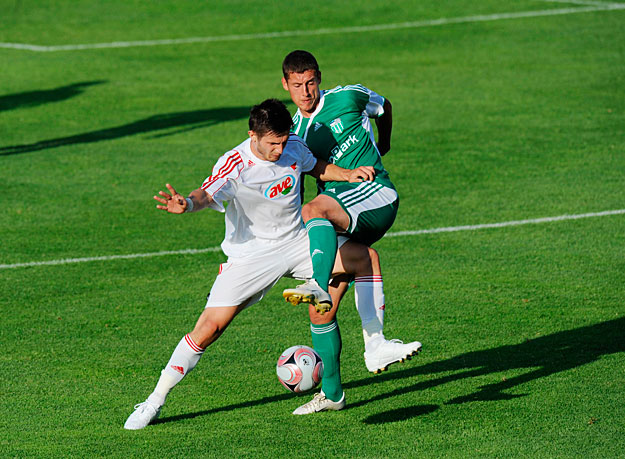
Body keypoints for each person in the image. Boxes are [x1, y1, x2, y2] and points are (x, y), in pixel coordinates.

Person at [124, 99, 381, 430]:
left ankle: (375, 346)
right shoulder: (235, 164)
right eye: (272, 143)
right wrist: (187, 204)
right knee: (209, 329)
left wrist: (348, 174)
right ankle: (154, 400)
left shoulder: (293, 146)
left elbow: (314, 165)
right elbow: (206, 193)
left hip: (297, 241)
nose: (279, 149)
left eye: (283, 141)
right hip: (251, 256)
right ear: (253, 135)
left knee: (365, 258)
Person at [281, 50, 422, 374]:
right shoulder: (294, 134)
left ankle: (316, 282)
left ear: (320, 79)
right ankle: (343, 380)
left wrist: (382, 146)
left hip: (374, 193)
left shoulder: (350, 96)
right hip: (338, 217)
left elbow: (384, 108)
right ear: (286, 85)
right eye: (298, 85)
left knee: (314, 208)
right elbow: (297, 182)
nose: (306, 92)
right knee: (322, 310)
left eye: (311, 82)